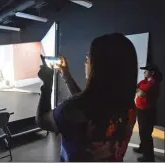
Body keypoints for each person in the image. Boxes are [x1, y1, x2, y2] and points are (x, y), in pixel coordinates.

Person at [36, 33, 138, 161]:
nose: (86, 62)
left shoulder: (71, 110)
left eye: (88, 57)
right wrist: (66, 75)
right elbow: (86, 103)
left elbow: (42, 120)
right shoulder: (130, 108)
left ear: (100, 66)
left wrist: (47, 83)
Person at [133, 64, 162, 162]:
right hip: (141, 111)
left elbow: (141, 92)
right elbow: (137, 89)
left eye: (146, 71)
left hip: (148, 113)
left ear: (152, 73)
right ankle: (142, 148)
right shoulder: (144, 82)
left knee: (146, 134)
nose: (144, 72)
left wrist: (139, 91)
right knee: (142, 132)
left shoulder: (153, 83)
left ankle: (149, 157)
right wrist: (139, 90)